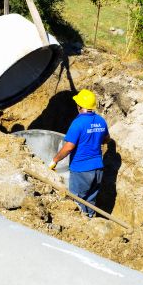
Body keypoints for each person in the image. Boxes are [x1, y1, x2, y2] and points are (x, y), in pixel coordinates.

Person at [50, 89, 109, 217]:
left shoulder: (78, 123)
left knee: (77, 201)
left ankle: (82, 224)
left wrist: (55, 160)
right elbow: (106, 139)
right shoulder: (101, 121)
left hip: (81, 169)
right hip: (98, 168)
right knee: (91, 200)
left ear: (80, 106)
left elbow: (68, 147)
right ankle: (90, 220)